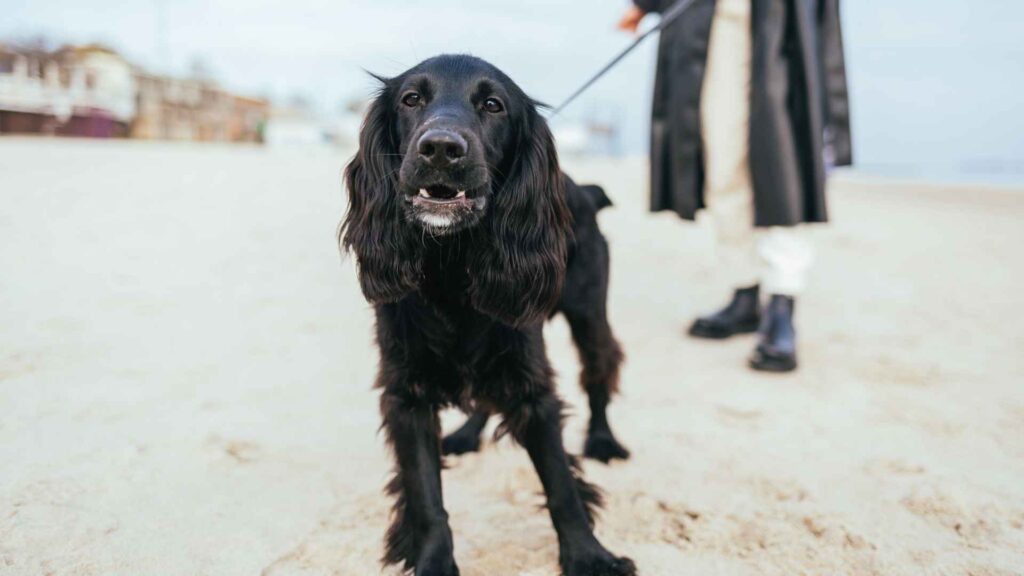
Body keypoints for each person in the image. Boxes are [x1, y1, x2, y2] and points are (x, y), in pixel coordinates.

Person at [619, 0, 852, 372]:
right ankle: (744, 292)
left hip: (783, 29)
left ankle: (781, 303)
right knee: (722, 168)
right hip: (715, 30)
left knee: (783, 175)